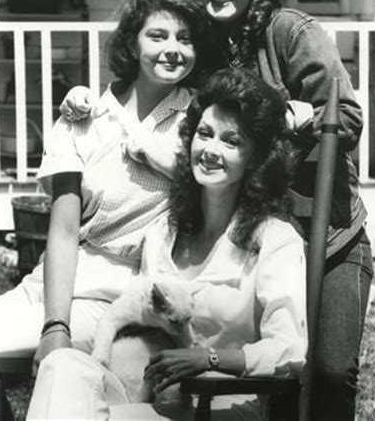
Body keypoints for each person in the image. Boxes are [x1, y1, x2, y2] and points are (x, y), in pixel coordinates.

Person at [62, 0, 373, 420]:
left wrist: (287, 118)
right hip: (242, 243)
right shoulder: (199, 45)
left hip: (326, 238)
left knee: (325, 372)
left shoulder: (290, 32)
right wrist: (86, 99)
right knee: (245, 378)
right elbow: (147, 87)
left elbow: (347, 119)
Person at [27, 68, 307, 420]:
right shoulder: (164, 231)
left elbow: (290, 352)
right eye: (204, 134)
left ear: (256, 158)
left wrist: (209, 358)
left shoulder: (274, 241)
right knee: (62, 366)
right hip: (149, 396)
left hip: (221, 404)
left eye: (231, 141)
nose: (210, 149)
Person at [0, 0, 207, 376]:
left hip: (119, 294)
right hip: (54, 284)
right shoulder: (84, 119)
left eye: (184, 39)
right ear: (133, 45)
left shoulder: (200, 121)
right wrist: (55, 324)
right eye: (157, 35)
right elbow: (64, 231)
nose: (173, 48)